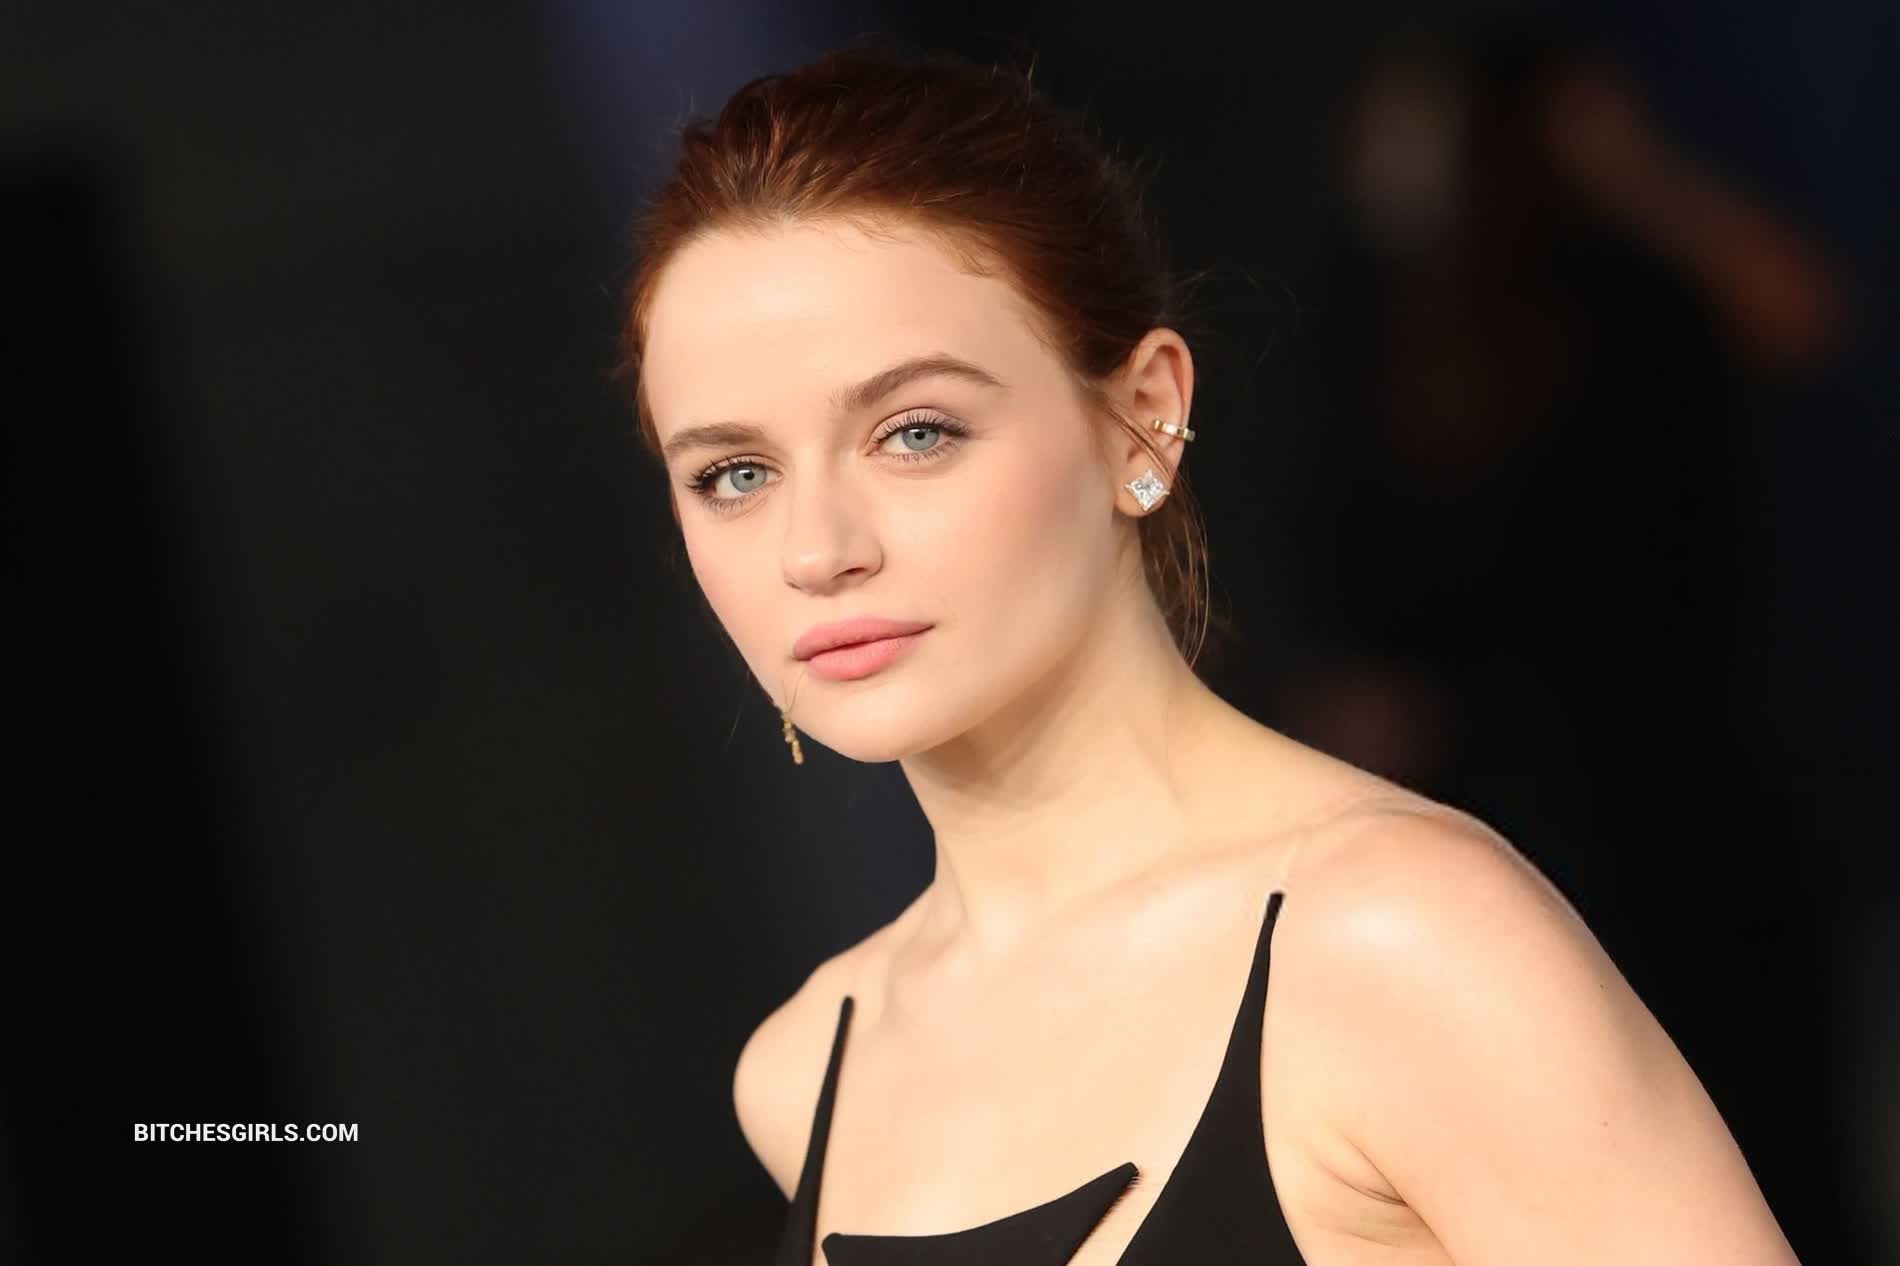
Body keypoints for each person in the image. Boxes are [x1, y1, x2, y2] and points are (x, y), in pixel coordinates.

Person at [612, 42, 1801, 1266]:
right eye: (734, 474)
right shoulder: (807, 1069)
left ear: (1143, 418)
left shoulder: (1404, 947)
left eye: (915, 433)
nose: (817, 549)